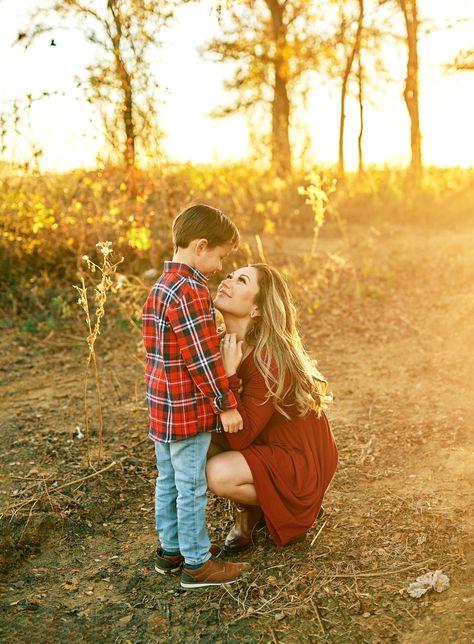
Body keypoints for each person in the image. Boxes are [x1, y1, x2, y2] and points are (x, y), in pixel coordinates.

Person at [142, 203, 250, 589]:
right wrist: (226, 403)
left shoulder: (160, 287)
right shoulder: (190, 291)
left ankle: (171, 550)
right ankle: (197, 564)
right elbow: (202, 361)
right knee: (190, 486)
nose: (220, 267)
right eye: (221, 257)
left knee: (168, 481)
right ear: (201, 246)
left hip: (162, 411)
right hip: (187, 413)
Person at [207, 263, 338, 550]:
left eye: (241, 280)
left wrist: (229, 377)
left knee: (217, 473)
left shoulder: (269, 360)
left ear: (256, 310)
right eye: (229, 275)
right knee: (195, 443)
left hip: (296, 456)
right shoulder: (219, 341)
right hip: (261, 439)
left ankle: (261, 506)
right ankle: (258, 501)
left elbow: (240, 436)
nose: (227, 281)